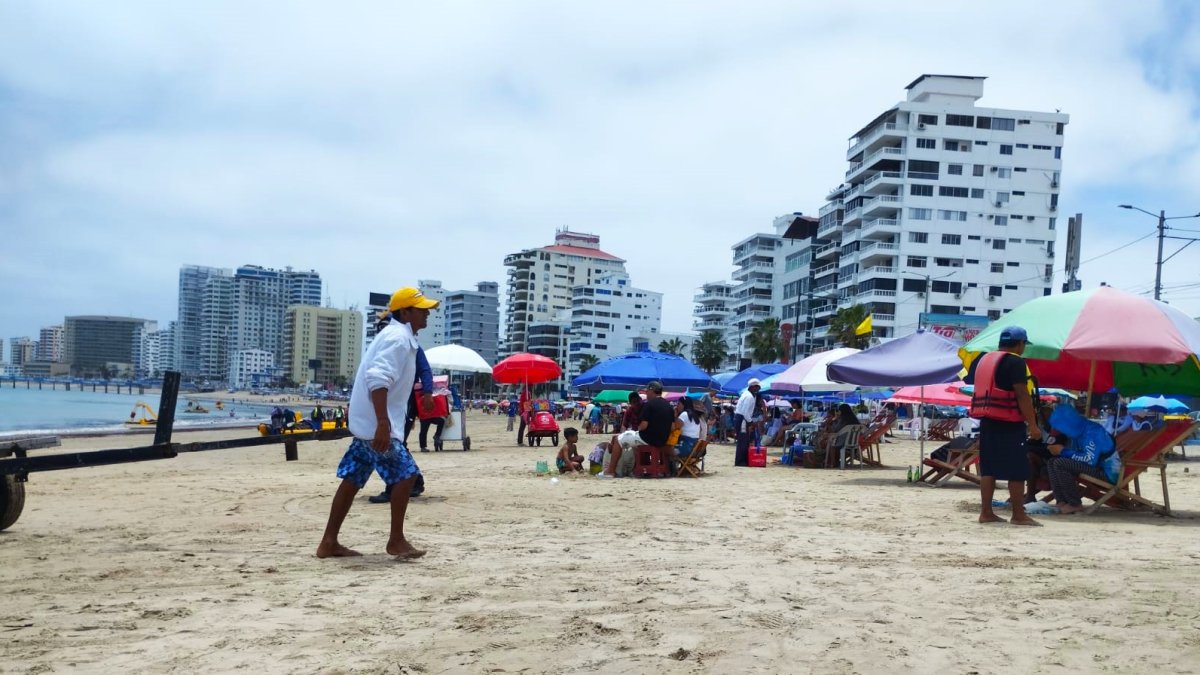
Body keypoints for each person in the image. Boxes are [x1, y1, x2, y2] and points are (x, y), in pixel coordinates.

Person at [316, 286, 437, 559]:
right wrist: (383, 422)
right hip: (376, 426)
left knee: (353, 478)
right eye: (421, 310)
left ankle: (328, 542)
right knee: (407, 475)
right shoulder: (397, 338)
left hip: (368, 423)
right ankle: (396, 541)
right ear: (406, 313)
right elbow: (378, 379)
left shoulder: (398, 335)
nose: (427, 313)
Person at [967, 325, 1043, 526]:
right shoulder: (1015, 362)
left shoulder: (985, 360)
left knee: (989, 469)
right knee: (1018, 468)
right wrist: (1033, 424)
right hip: (1009, 422)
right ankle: (1018, 515)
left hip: (987, 421)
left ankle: (986, 513)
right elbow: (1021, 394)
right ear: (1020, 343)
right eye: (1024, 344)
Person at [1041, 404, 1118, 514]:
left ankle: (1075, 504)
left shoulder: (1093, 432)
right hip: (1095, 467)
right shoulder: (1078, 431)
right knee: (1052, 462)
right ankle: (1061, 501)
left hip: (1106, 473)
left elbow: (1089, 460)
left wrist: (1063, 451)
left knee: (1060, 463)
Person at [601, 392, 644, 477]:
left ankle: (633, 468)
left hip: (643, 434)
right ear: (631, 403)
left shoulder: (645, 408)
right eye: (634, 402)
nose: (637, 404)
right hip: (634, 434)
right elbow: (624, 425)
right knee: (616, 439)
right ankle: (617, 468)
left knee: (634, 448)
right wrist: (623, 434)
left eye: (638, 401)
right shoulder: (629, 411)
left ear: (640, 400)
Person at [637, 381, 676, 448]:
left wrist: (638, 429)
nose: (646, 393)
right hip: (663, 441)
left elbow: (643, 426)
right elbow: (672, 427)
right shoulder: (669, 406)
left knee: (619, 440)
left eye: (647, 391)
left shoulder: (649, 404)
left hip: (648, 439)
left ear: (652, 391)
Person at [733, 379, 762, 466]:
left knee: (745, 440)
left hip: (742, 418)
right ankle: (740, 461)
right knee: (743, 440)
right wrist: (751, 422)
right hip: (742, 419)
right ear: (752, 387)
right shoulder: (749, 397)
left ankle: (744, 460)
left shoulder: (748, 395)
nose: (758, 389)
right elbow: (745, 412)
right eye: (757, 387)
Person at [675, 396, 705, 460]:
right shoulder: (694, 415)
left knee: (665, 449)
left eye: (679, 403)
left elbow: (674, 428)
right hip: (694, 449)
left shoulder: (684, 414)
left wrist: (675, 415)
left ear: (684, 405)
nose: (677, 406)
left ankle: (669, 469)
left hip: (685, 448)